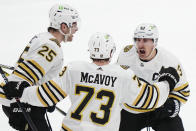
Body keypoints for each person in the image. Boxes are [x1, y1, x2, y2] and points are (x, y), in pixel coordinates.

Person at [3, 32, 180, 131]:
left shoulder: (73, 69)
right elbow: (150, 99)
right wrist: (167, 82)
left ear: (90, 51)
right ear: (111, 53)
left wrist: (20, 91)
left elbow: (44, 96)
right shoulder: (123, 75)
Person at [0, 3, 80, 131]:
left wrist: (45, 99)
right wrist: (16, 107)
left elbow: (35, 74)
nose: (76, 29)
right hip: (20, 102)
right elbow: (22, 79)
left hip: (24, 101)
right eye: (74, 24)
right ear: (63, 27)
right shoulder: (51, 47)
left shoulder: (43, 38)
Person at [117, 23, 190, 131]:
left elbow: (183, 91)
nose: (140, 44)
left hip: (159, 109)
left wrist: (172, 106)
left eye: (145, 40)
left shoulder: (170, 61)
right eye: (137, 39)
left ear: (154, 42)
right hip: (132, 109)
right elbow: (117, 80)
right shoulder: (126, 55)